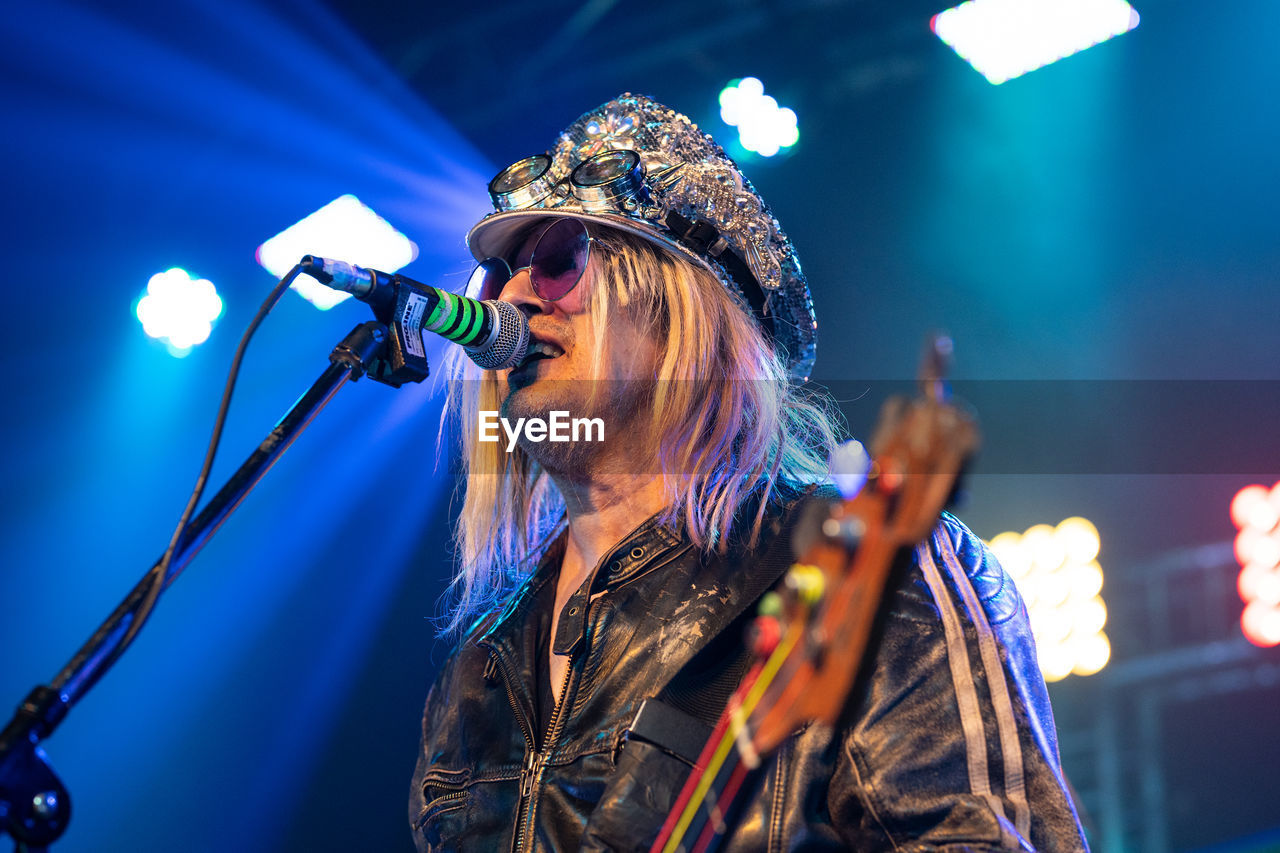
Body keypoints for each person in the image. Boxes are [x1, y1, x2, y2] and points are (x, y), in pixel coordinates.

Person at [410, 93, 1089, 852]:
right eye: (499, 271)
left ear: (677, 308)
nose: (510, 296)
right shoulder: (479, 666)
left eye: (562, 257)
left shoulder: (869, 567)